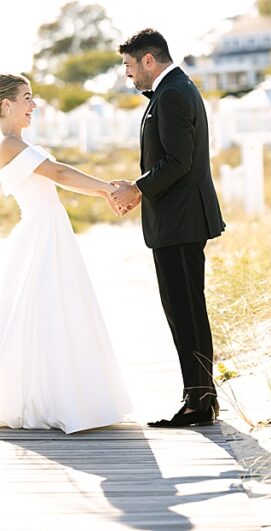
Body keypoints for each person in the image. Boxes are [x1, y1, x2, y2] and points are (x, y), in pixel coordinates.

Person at [0, 73, 132, 433]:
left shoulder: (18, 143)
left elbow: (57, 176)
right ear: (6, 105)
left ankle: (65, 392)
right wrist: (109, 190)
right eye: (27, 98)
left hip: (51, 231)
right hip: (38, 235)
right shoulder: (7, 145)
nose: (34, 105)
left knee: (57, 311)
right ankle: (44, 396)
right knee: (42, 311)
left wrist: (104, 193)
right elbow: (59, 173)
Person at [111, 29, 225, 428]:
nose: (128, 74)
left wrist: (136, 188)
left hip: (180, 221)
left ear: (147, 60)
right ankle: (200, 397)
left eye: (129, 65)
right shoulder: (173, 89)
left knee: (186, 311)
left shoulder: (173, 92)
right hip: (178, 220)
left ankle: (199, 403)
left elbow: (178, 161)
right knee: (185, 310)